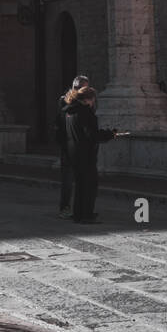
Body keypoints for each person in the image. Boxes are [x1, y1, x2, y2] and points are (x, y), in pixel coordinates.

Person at [64, 85, 119, 223]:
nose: (94, 102)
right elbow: (92, 135)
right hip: (85, 153)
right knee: (89, 184)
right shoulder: (86, 113)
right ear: (90, 99)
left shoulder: (69, 112)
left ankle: (78, 214)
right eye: (93, 99)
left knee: (80, 184)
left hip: (73, 153)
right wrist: (110, 134)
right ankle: (86, 215)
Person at [54, 74, 89, 218]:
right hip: (70, 145)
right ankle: (67, 208)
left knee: (77, 178)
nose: (78, 90)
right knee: (69, 179)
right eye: (78, 87)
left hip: (76, 145)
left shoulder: (83, 101)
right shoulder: (66, 101)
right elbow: (60, 123)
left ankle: (76, 208)